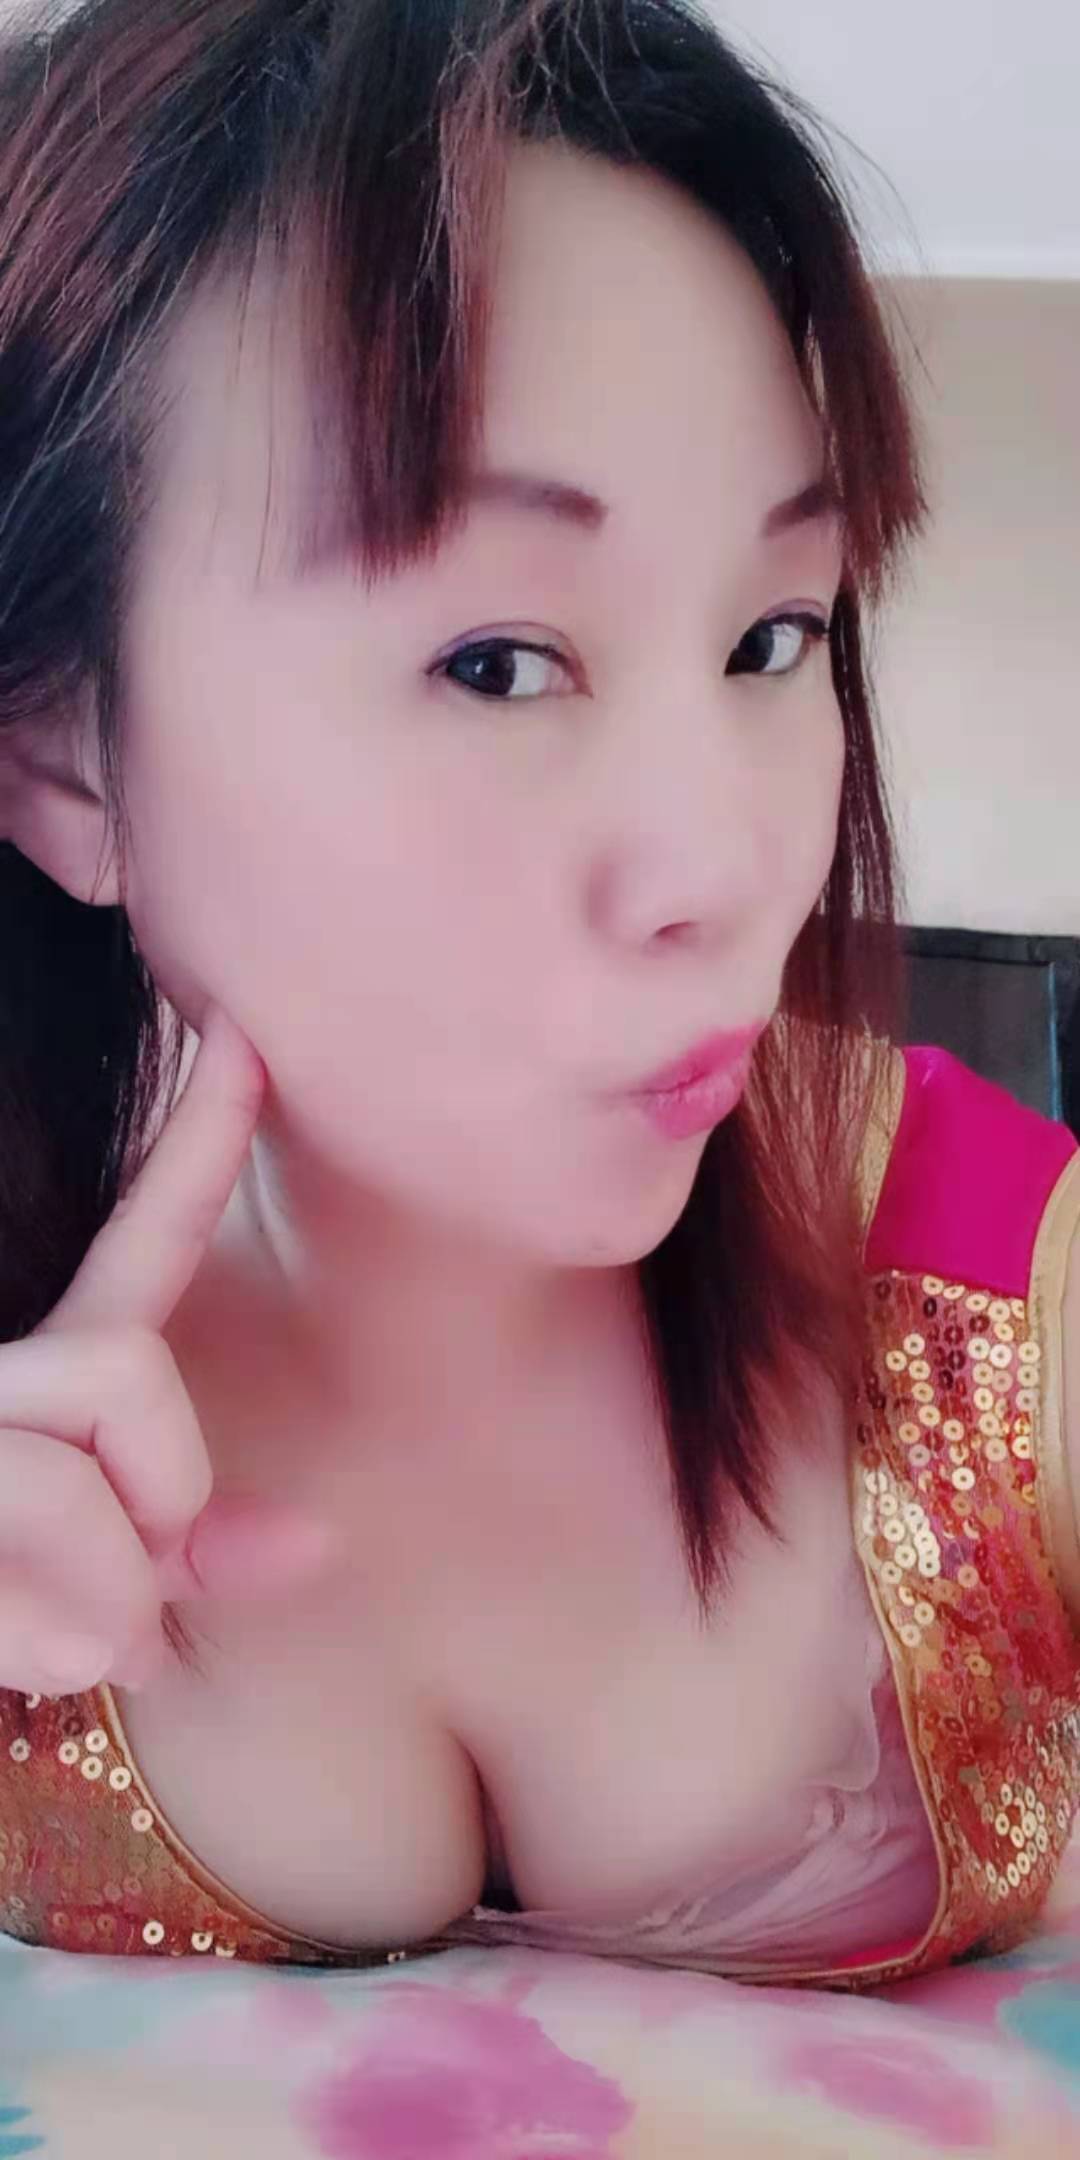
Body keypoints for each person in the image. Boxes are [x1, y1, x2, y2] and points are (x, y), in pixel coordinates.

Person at [0, 0, 1076, 1990]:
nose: (720, 869)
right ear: (63, 753)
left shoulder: (1002, 1314)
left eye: (774, 636)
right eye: (499, 663)